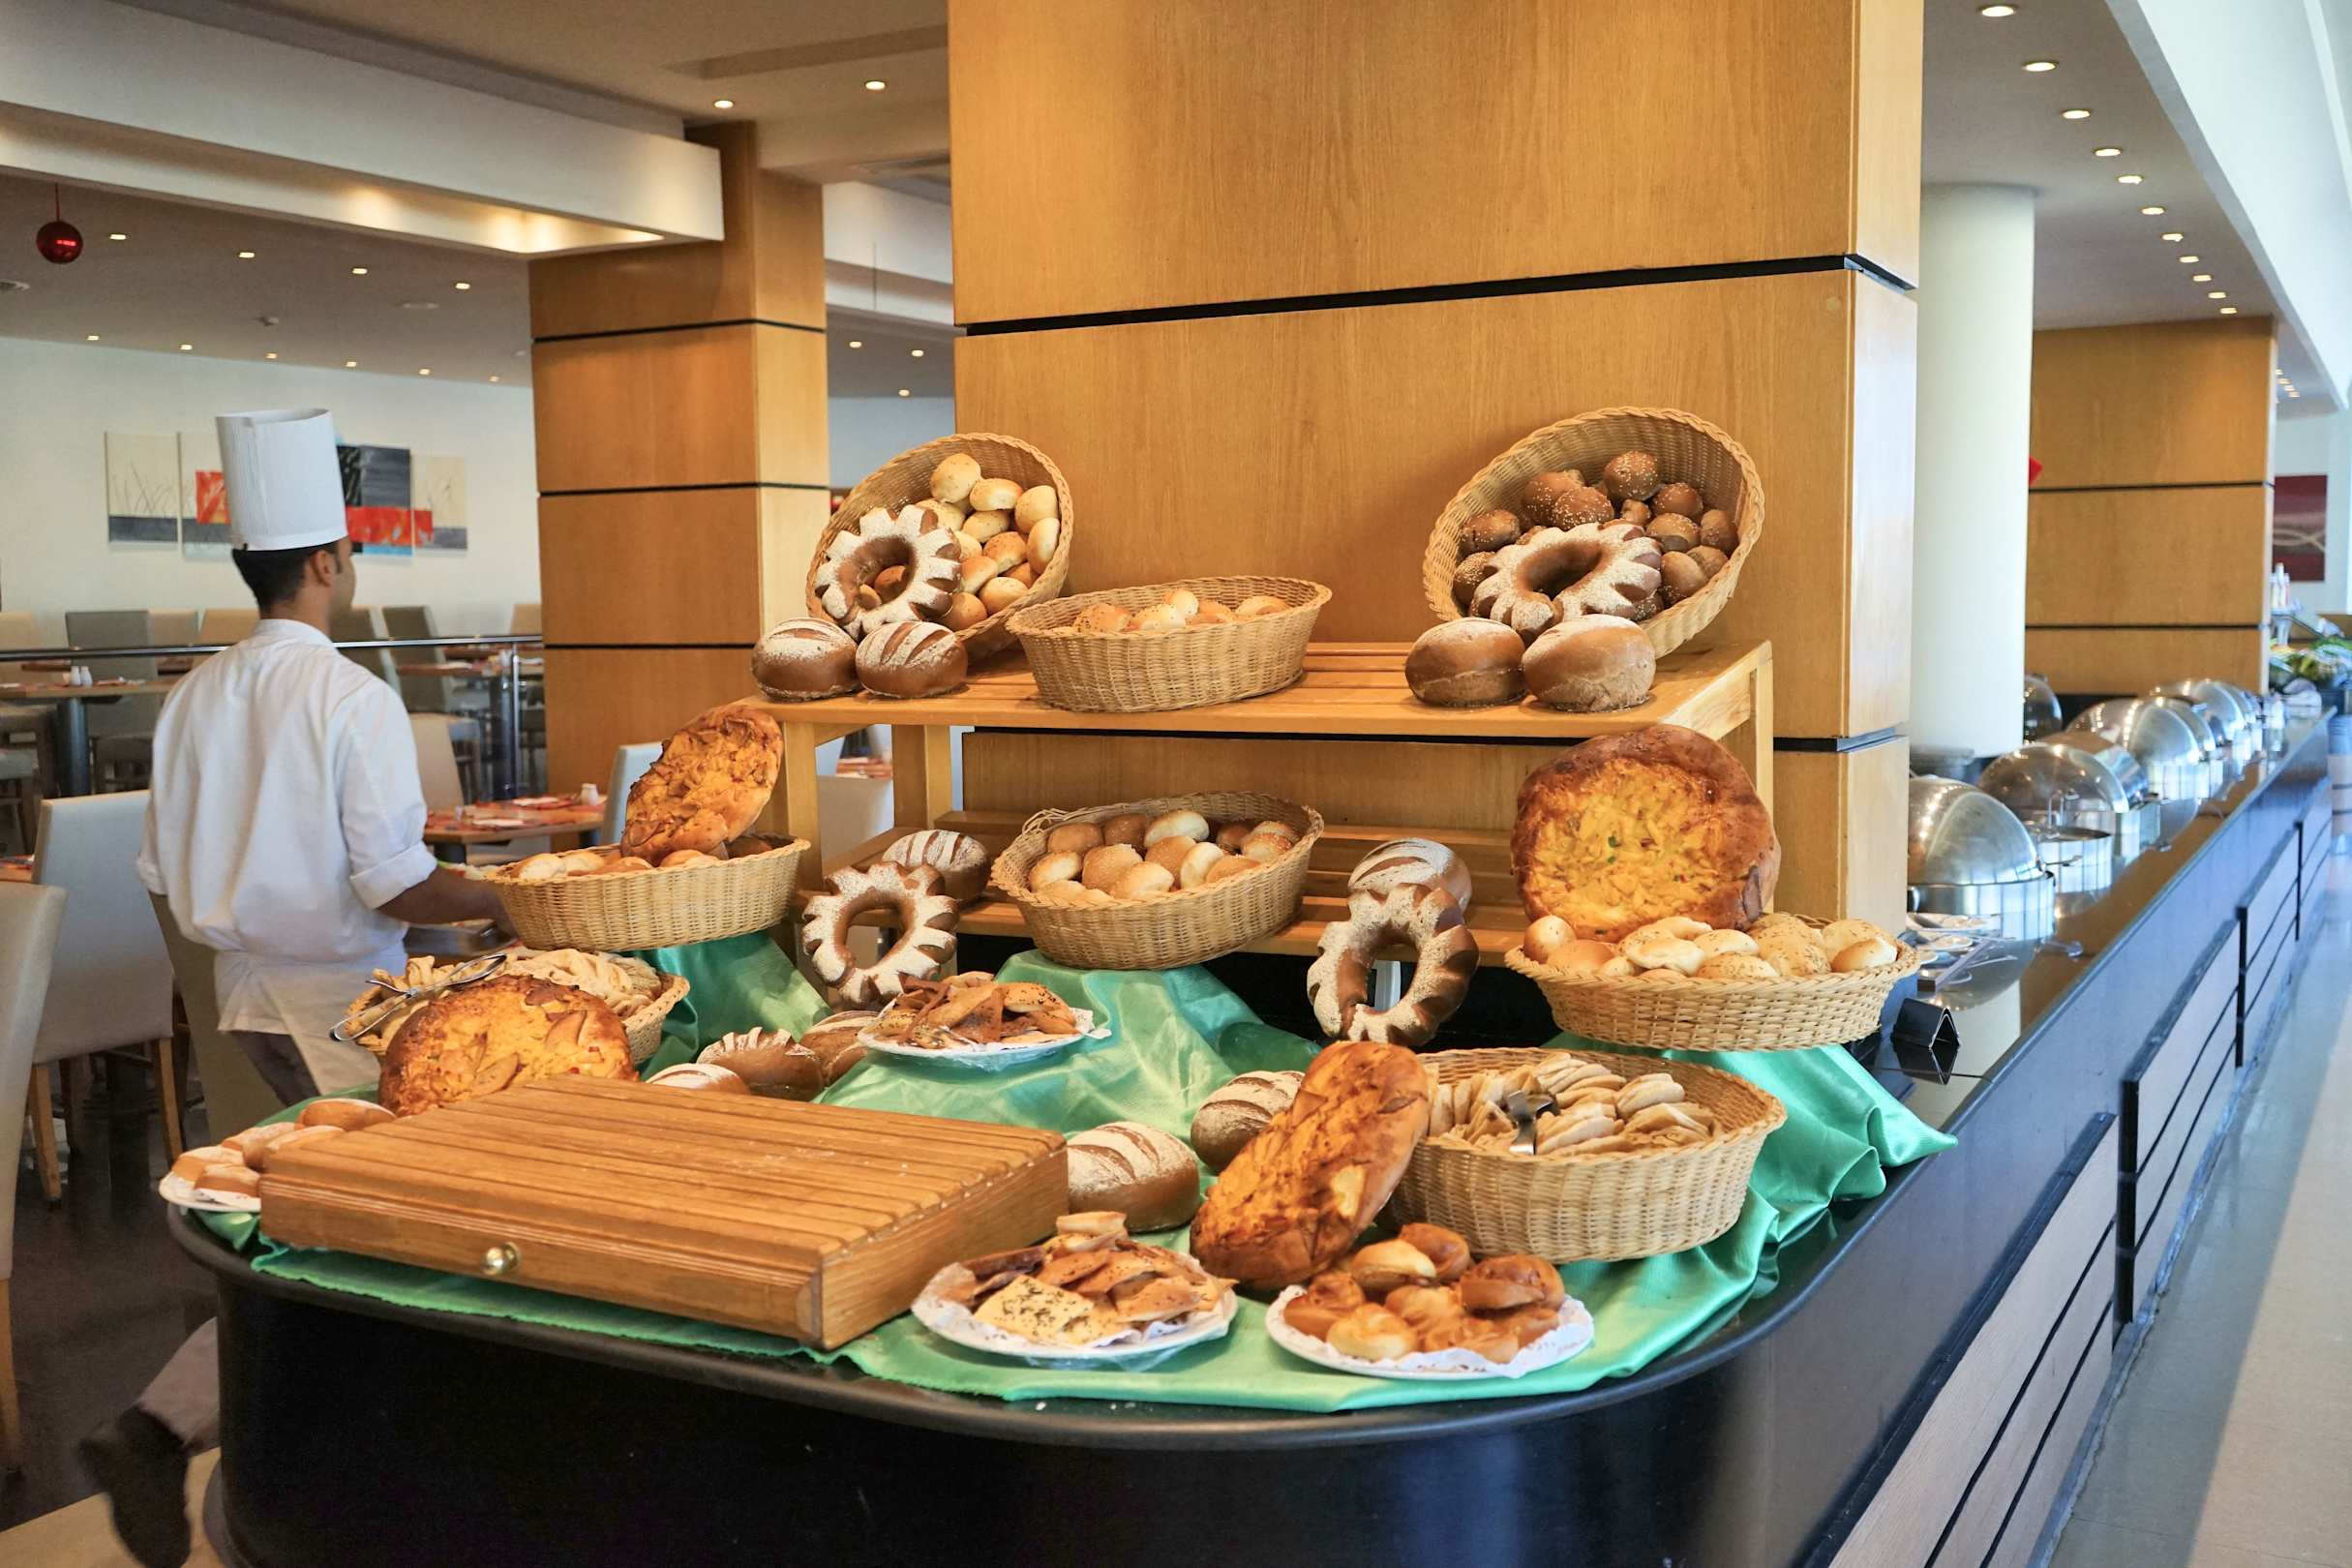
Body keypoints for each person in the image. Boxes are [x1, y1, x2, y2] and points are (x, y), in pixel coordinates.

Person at [78, 407, 504, 1568]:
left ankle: (188, 1432)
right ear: (327, 562)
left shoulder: (194, 696)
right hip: (343, 1003)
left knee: (316, 1224)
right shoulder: (351, 697)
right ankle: (198, 1435)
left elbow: (159, 872)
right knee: (377, 1235)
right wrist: (508, 901)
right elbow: (396, 882)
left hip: (239, 999)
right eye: (349, 552)